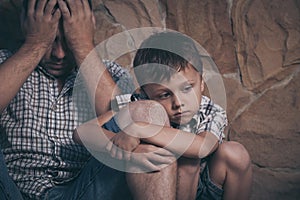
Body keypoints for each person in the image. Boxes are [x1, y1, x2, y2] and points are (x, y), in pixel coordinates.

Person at [0, 0, 177, 199]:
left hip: (86, 190)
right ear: (27, 24)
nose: (59, 54)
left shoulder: (112, 74)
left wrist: (83, 46)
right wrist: (36, 44)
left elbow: (129, 121)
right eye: (51, 41)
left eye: (67, 41)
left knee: (148, 114)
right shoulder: (5, 63)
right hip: (11, 192)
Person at [103, 31, 253, 200]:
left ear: (202, 83)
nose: (179, 103)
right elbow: (82, 133)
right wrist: (117, 140)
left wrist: (139, 130)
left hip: (202, 188)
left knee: (234, 153)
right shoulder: (139, 102)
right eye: (165, 95)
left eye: (187, 88)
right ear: (145, 93)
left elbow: (202, 147)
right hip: (157, 187)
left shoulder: (210, 111)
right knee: (175, 157)